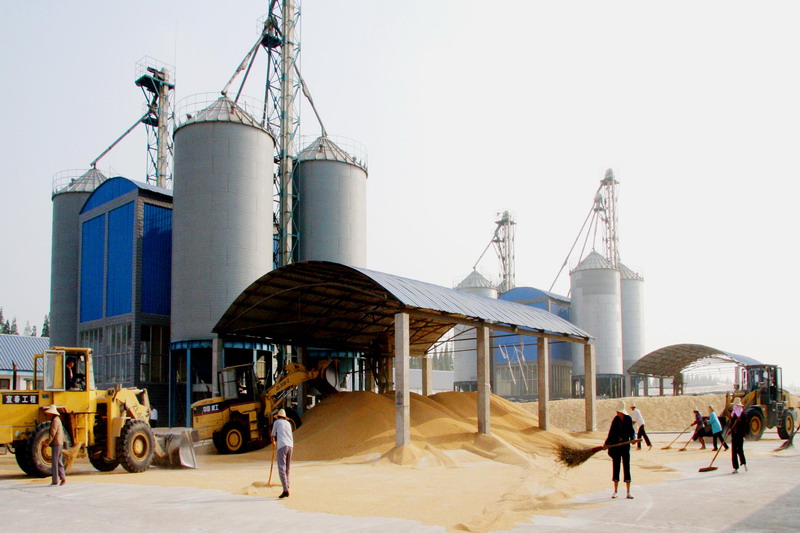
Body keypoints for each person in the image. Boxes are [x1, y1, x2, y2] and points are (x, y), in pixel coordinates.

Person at [604, 400, 637, 499]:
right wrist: (606, 443)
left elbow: (632, 431)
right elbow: (611, 433)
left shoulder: (628, 419)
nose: (617, 413)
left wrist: (633, 439)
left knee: (626, 466)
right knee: (616, 466)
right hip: (616, 446)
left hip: (625, 446)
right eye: (617, 411)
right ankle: (615, 491)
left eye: (619, 411)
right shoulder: (615, 420)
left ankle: (628, 492)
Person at [270, 408, 294, 499]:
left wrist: (273, 443)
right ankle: (287, 485)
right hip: (290, 446)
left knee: (281, 468)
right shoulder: (288, 423)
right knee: (287, 468)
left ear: (278, 417)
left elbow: (272, 435)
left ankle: (285, 490)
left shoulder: (276, 422)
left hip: (282, 446)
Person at [45, 405, 66, 486]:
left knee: (55, 462)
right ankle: (63, 478)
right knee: (59, 461)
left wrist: (47, 442)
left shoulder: (55, 421)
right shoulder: (57, 419)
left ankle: (55, 481)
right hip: (59, 443)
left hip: (56, 443)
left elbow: (52, 433)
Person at [730, 397, 748, 473]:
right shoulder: (733, 414)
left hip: (740, 435)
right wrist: (730, 431)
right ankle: (735, 468)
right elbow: (731, 424)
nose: (735, 406)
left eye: (736, 405)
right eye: (735, 405)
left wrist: (744, 435)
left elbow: (745, 425)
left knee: (740, 450)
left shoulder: (743, 414)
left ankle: (744, 463)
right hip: (734, 435)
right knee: (734, 451)